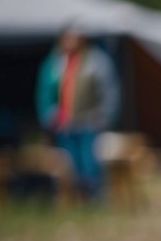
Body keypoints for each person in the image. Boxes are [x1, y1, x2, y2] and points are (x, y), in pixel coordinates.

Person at [34, 26, 120, 200]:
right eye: (67, 38)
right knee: (68, 165)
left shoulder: (96, 61)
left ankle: (94, 198)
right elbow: (44, 92)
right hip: (64, 123)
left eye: (74, 38)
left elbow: (109, 91)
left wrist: (104, 115)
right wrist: (49, 115)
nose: (70, 42)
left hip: (88, 121)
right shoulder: (55, 62)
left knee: (90, 162)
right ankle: (76, 197)